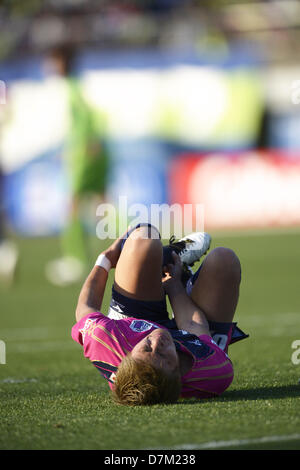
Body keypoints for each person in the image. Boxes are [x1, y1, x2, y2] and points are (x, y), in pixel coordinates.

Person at [72, 224, 248, 405]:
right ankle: (175, 269)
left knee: (144, 238)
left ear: (129, 355)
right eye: (164, 355)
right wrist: (174, 286)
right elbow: (193, 325)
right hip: (191, 337)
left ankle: (163, 259)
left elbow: (86, 306)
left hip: (134, 321)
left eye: (147, 348)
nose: (158, 341)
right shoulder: (213, 372)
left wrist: (106, 258)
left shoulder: (107, 341)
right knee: (224, 261)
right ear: (178, 372)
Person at [44, 45, 109, 286]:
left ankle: (74, 260)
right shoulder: (76, 86)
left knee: (72, 206)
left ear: (61, 63)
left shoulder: (70, 88)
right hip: (88, 152)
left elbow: (86, 118)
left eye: (52, 62)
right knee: (101, 204)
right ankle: (128, 249)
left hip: (84, 155)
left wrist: (83, 145)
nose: (48, 68)